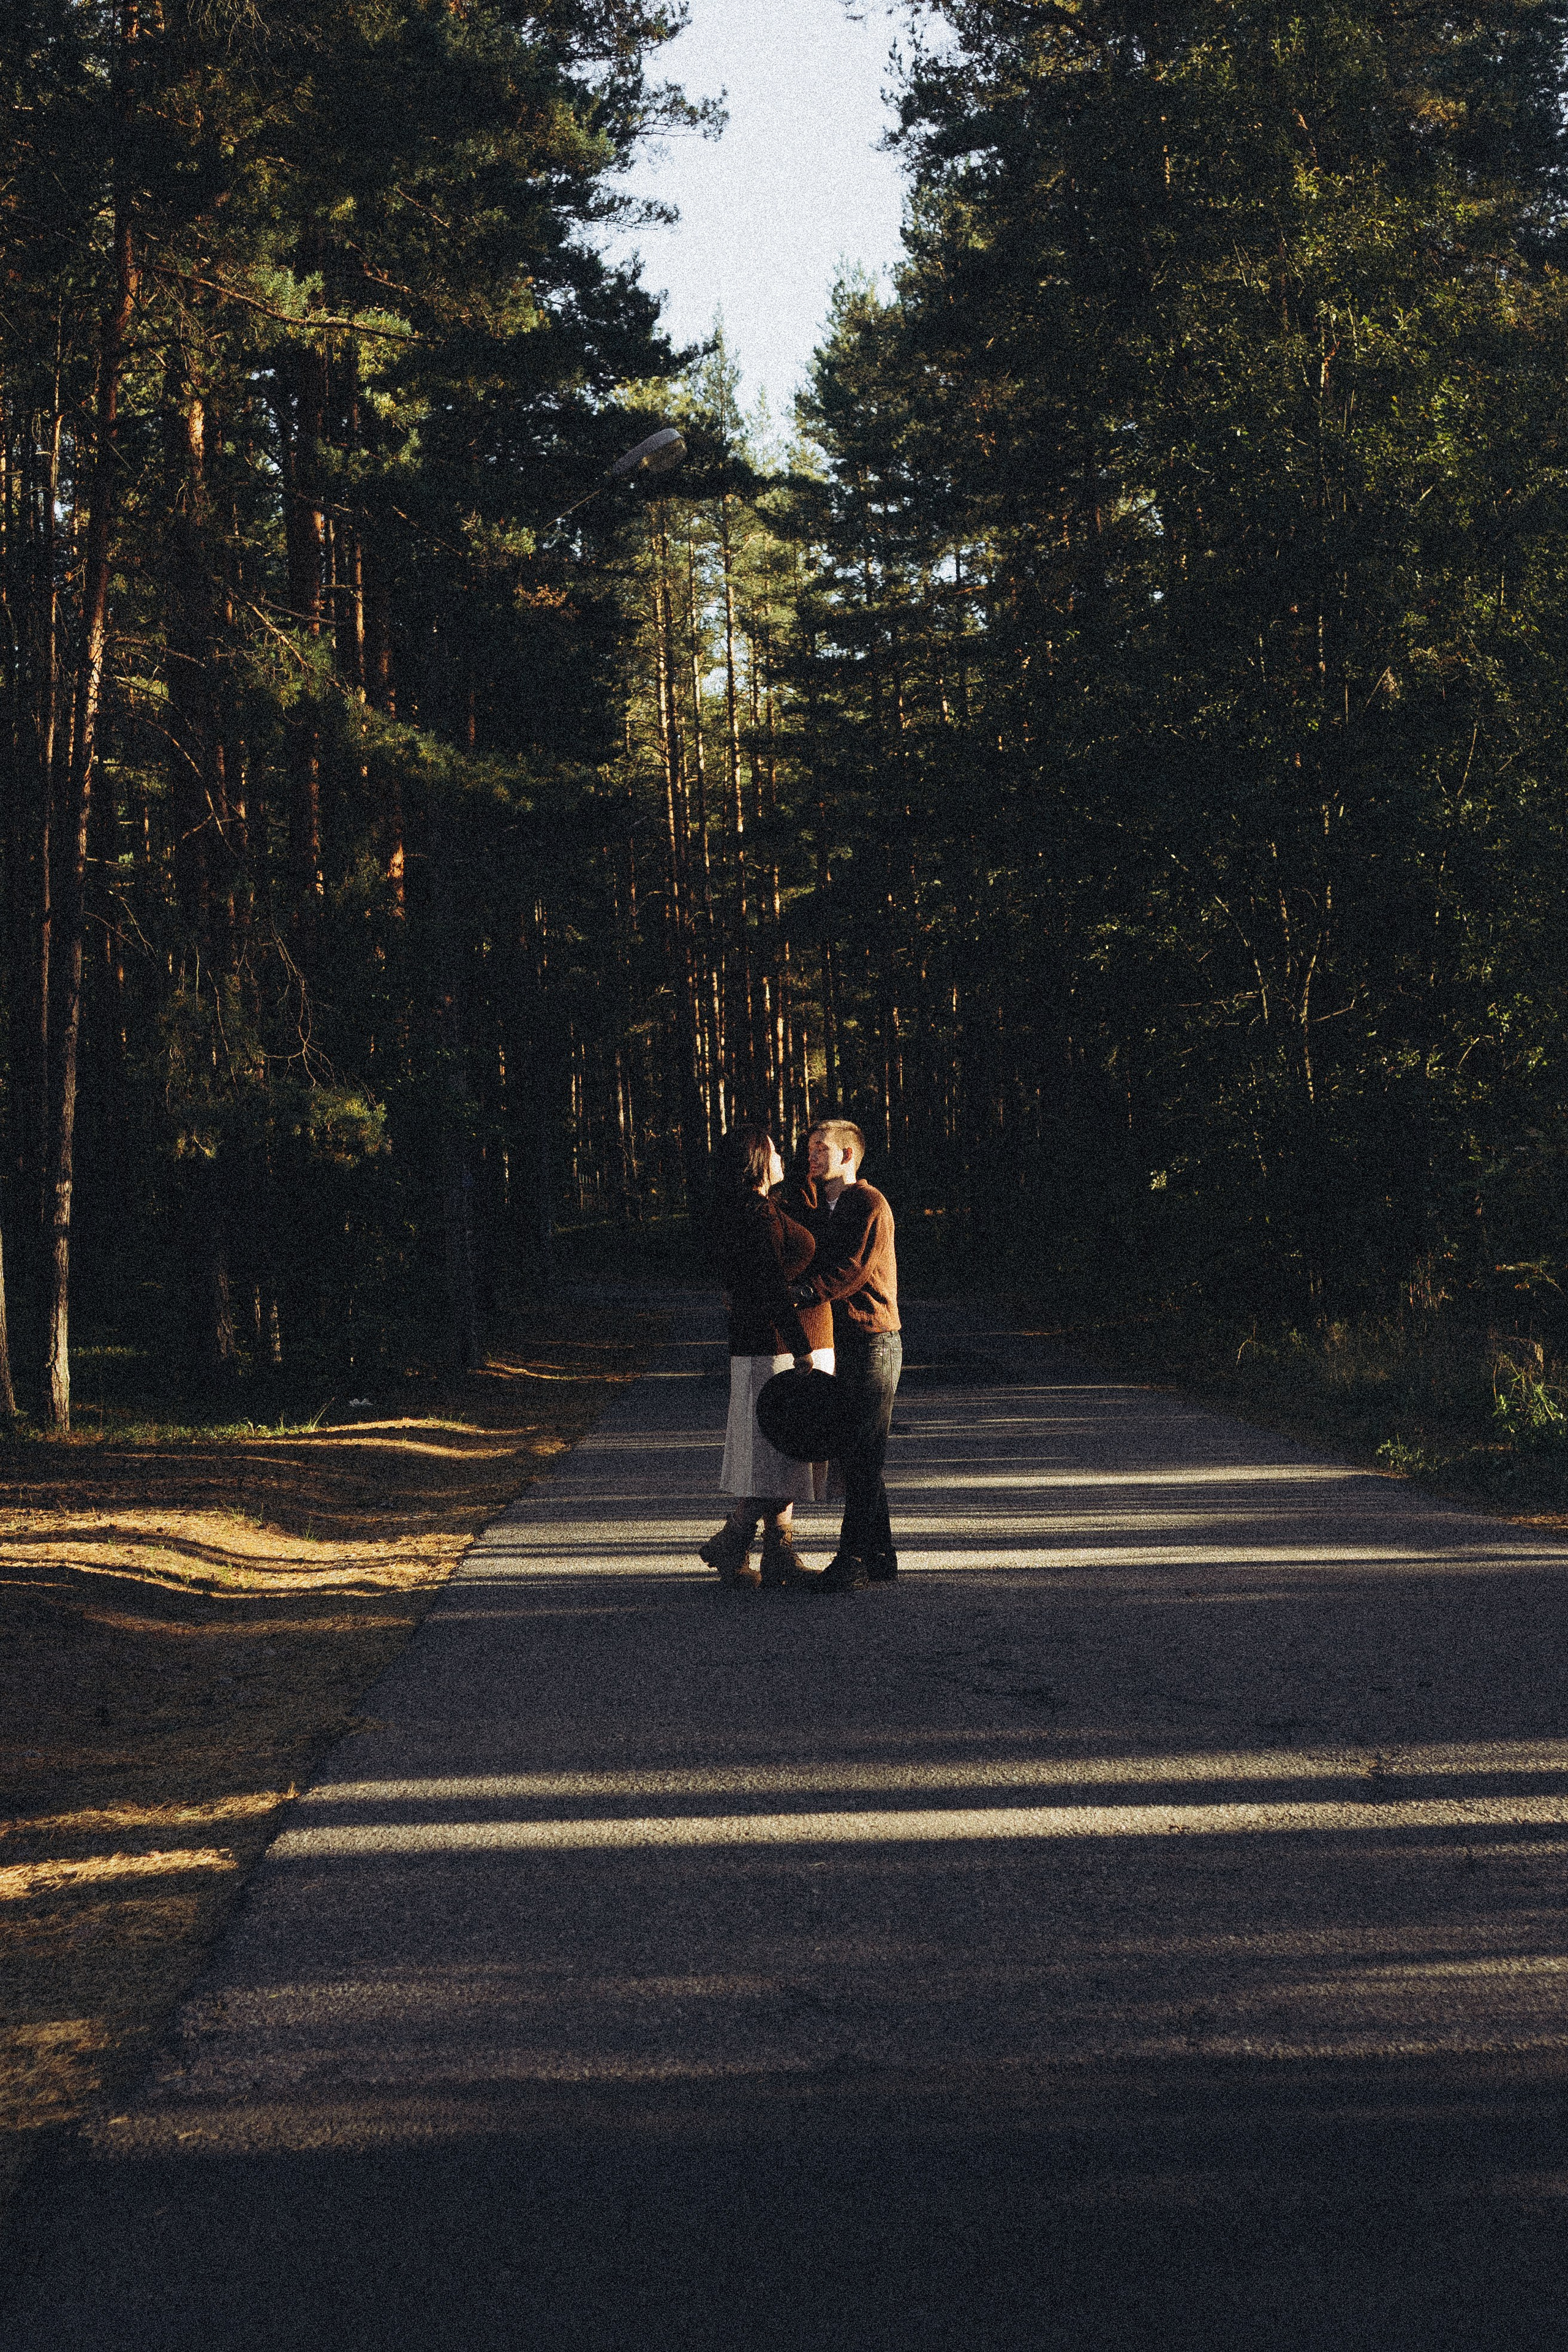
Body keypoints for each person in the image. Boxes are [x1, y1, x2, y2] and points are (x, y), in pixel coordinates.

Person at [701, 1123, 835, 1591]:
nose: (783, 1158)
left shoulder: (754, 1210)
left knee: (781, 1450)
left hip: (764, 1345)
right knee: (782, 1451)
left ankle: (771, 1553)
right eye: (776, 1152)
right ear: (758, 1161)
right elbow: (771, 1288)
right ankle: (736, 1539)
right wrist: (801, 1348)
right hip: (776, 1348)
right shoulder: (758, 1216)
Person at [785, 1118, 902, 1593]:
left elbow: (853, 1269)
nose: (811, 1156)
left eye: (821, 1148)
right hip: (842, 1341)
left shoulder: (868, 1203)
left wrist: (803, 1292)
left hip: (875, 1340)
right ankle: (881, 1556)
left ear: (848, 1155)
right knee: (855, 1452)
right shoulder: (823, 1206)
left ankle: (851, 1559)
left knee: (863, 1451)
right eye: (809, 1148)